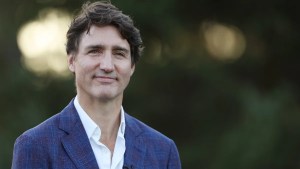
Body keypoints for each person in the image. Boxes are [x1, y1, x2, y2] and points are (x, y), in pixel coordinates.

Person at [12, 1, 181, 169]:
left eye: (119, 53)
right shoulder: (35, 146)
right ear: (72, 61)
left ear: (132, 66)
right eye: (95, 51)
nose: (107, 65)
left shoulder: (163, 151)